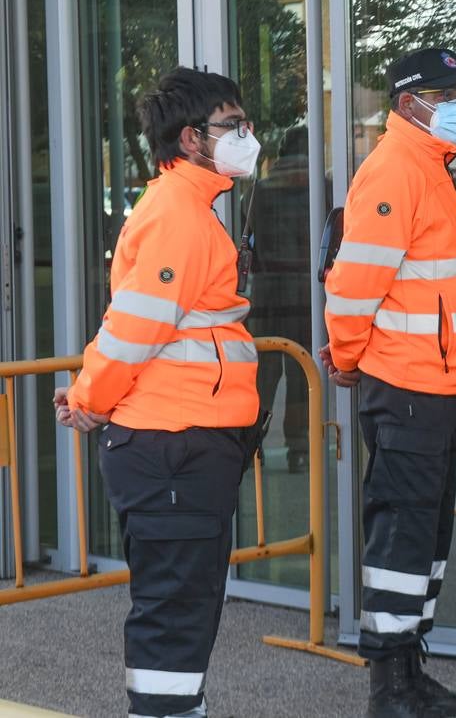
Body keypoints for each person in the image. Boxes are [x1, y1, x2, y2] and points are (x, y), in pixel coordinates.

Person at [54, 67, 262, 718]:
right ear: (192, 139)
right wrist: (89, 399)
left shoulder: (184, 209)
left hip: (183, 441)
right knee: (175, 610)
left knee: (183, 605)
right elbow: (136, 330)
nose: (247, 135)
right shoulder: (179, 215)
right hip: (172, 444)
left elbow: (131, 324)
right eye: (233, 125)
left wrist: (91, 392)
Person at [321, 47, 456, 718]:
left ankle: (410, 671)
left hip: (438, 386)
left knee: (425, 534)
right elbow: (354, 282)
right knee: (402, 533)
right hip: (410, 387)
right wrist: (347, 357)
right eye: (446, 94)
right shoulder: (394, 169)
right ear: (407, 104)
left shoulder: (435, 168)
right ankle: (388, 689)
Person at [250, 124, 319, 473]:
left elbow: (248, 242)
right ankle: (299, 449)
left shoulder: (259, 191)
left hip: (265, 295)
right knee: (299, 377)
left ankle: (250, 443)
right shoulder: (323, 190)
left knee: (263, 376)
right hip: (306, 295)